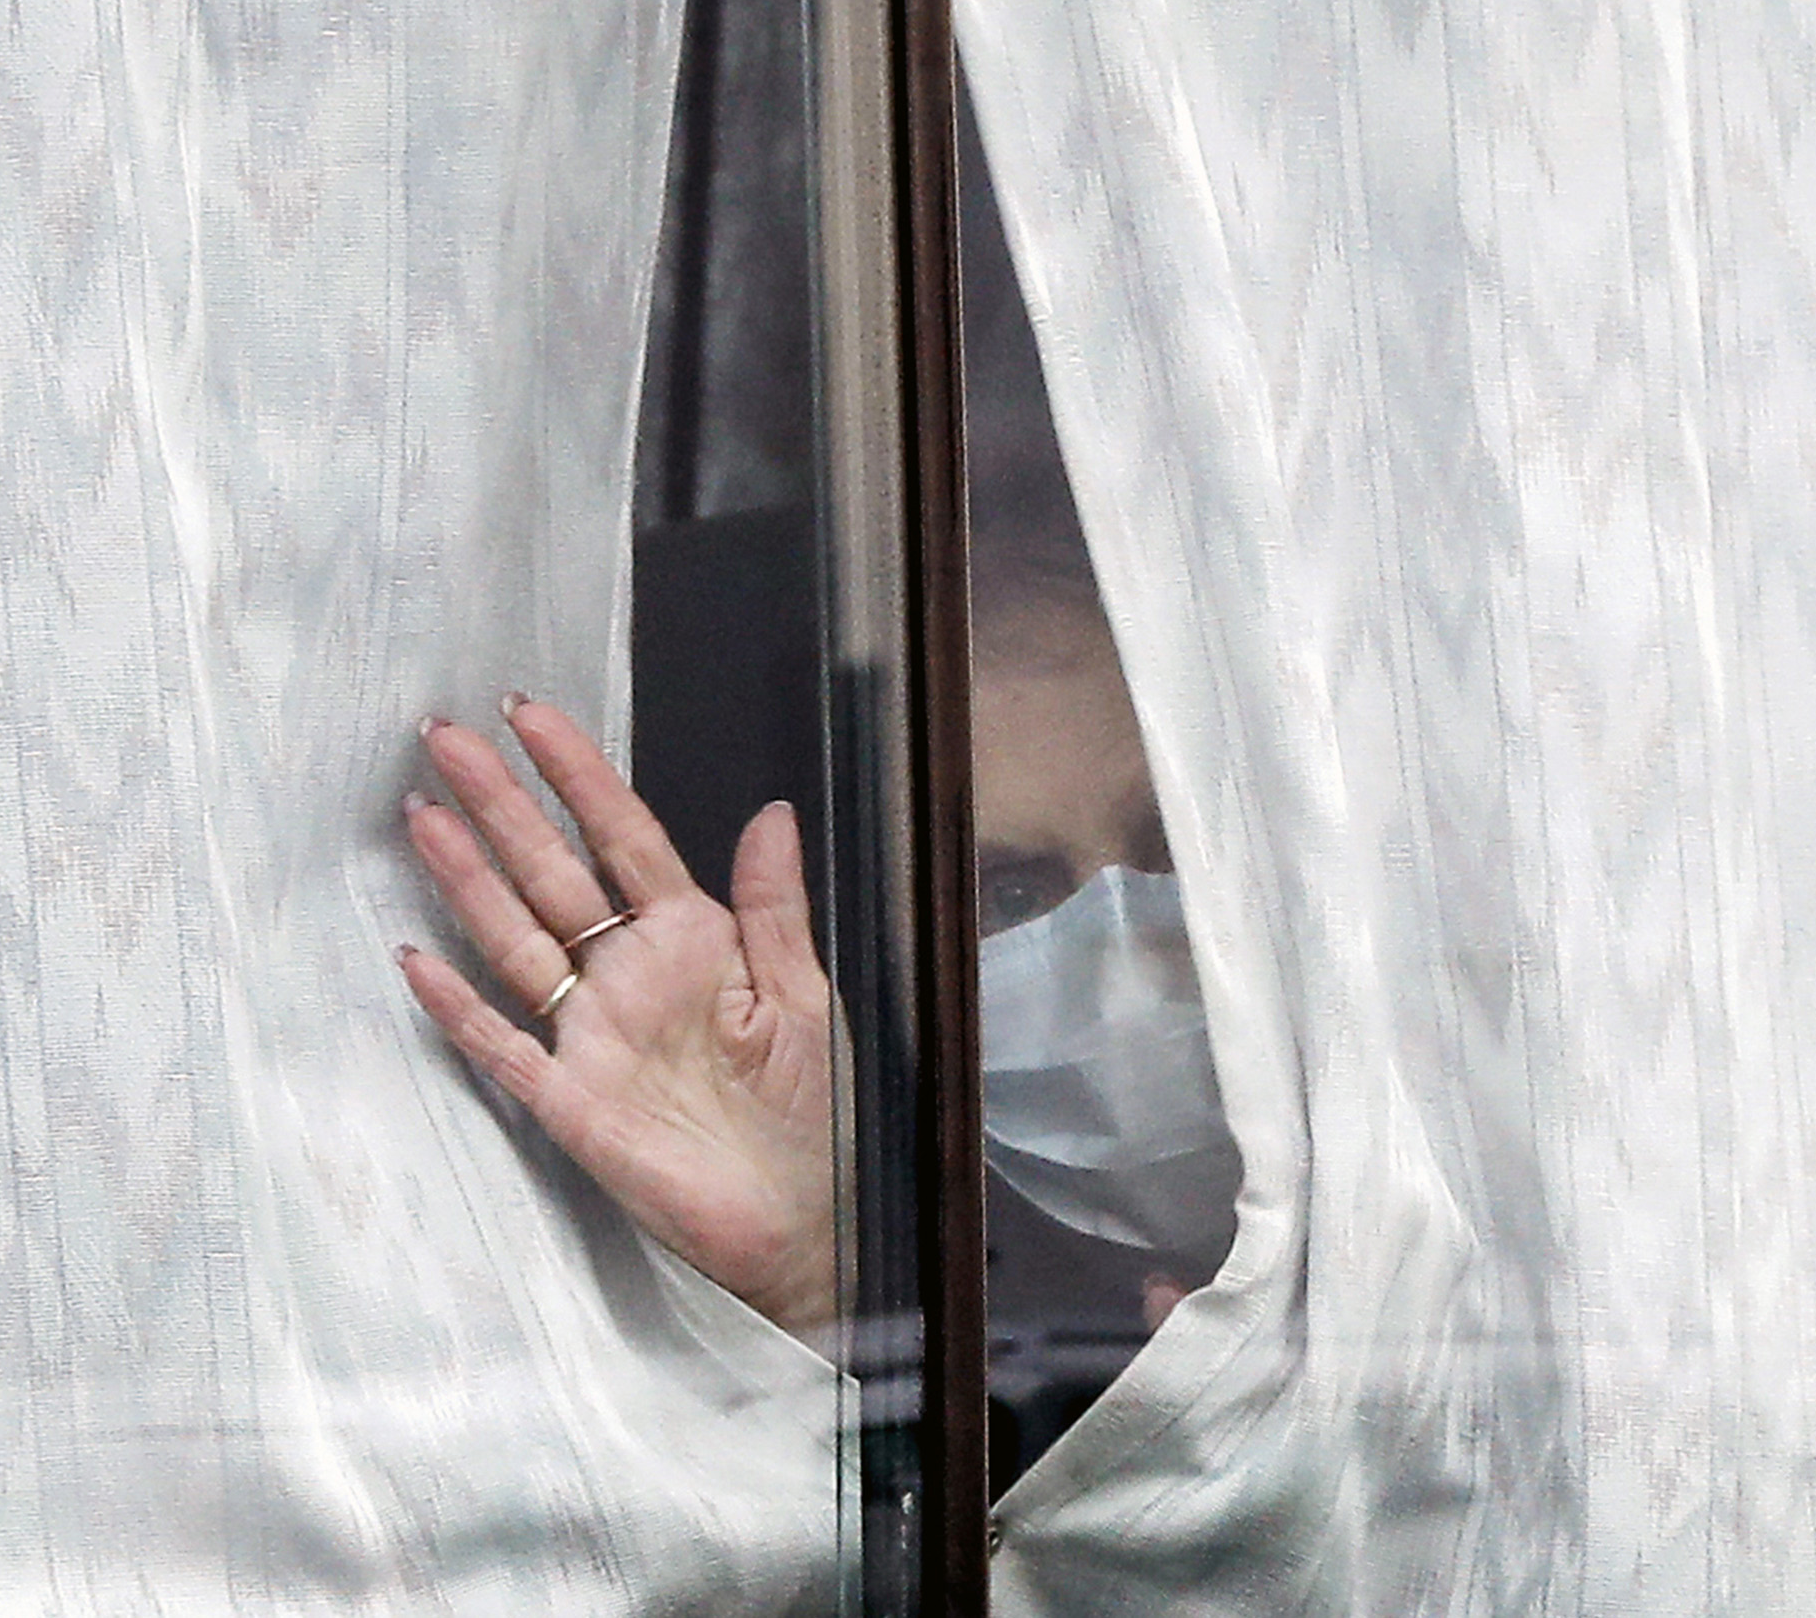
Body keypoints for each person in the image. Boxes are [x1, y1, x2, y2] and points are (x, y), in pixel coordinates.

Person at [394, 523, 1238, 1356]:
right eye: (1012, 894)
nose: (1125, 960)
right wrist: (810, 1301)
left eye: (1173, 856)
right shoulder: (936, 1315)